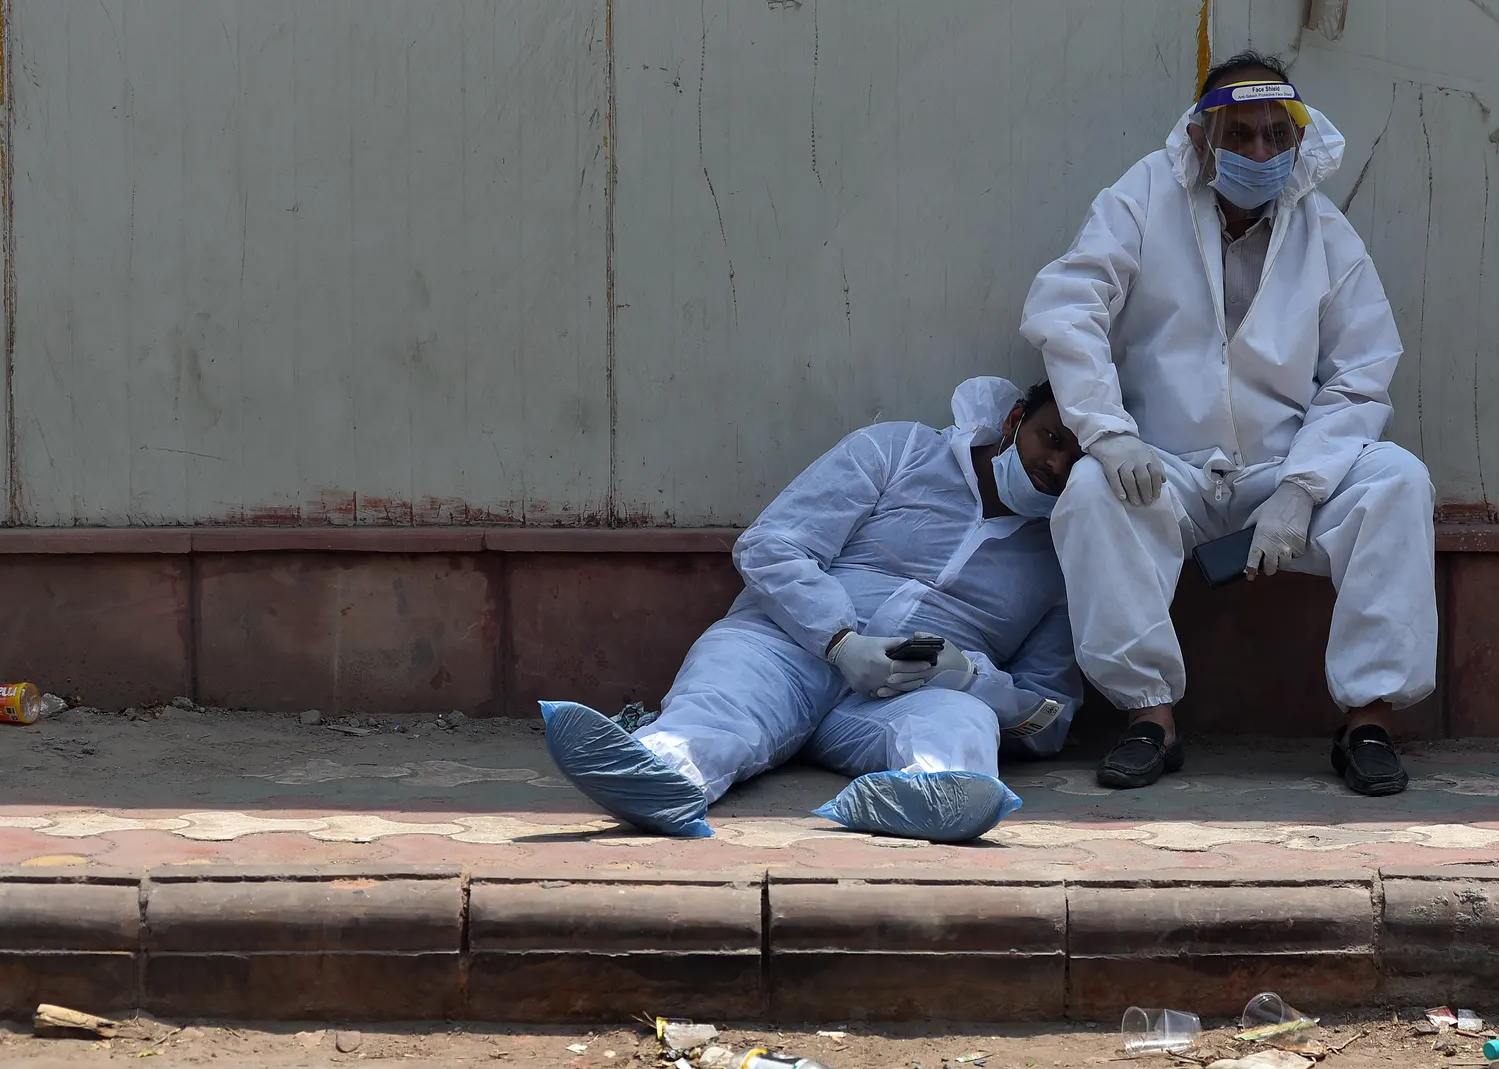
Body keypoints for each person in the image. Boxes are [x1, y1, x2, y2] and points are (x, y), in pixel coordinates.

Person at [1019, 50, 1437, 796]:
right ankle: (1151, 720)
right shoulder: (1144, 197)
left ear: (1298, 140)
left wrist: (1304, 488)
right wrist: (1107, 432)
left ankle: (1367, 723)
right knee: (1088, 493)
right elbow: (1068, 302)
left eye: (1276, 134)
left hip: (1285, 467)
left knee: (1398, 480)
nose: (1259, 152)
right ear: (1203, 137)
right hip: (1166, 465)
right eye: (1240, 134)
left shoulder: (1326, 232)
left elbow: (1363, 370)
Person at [541, 377, 1085, 841]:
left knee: (963, 724)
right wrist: (840, 641)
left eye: (1076, 461)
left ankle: (937, 797)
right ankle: (661, 770)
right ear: (1016, 418)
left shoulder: (1065, 556)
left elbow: (1049, 715)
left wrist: (970, 680)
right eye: (1051, 439)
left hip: (904, 700)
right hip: (786, 649)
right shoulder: (898, 451)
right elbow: (773, 546)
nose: (1056, 466)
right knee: (726, 694)